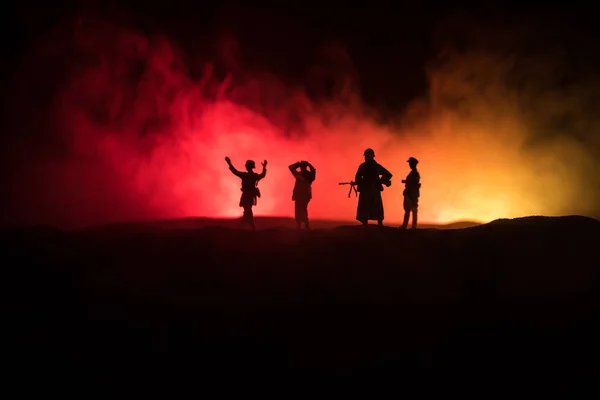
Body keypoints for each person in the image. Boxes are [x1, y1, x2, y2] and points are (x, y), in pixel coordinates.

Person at [225, 156, 267, 230]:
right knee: (247, 210)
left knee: (247, 209)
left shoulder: (249, 176)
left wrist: (229, 163)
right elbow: (235, 172)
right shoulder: (251, 176)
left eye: (247, 165)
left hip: (249, 195)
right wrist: (229, 163)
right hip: (247, 195)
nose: (246, 166)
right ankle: (246, 225)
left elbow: (235, 172)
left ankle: (250, 226)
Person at [354, 148, 392, 226]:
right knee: (365, 206)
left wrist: (381, 181)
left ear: (371, 156)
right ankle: (366, 222)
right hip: (367, 190)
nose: (365, 157)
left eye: (367, 156)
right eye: (365, 156)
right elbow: (358, 177)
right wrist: (360, 182)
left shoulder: (375, 167)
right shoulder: (364, 166)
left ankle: (379, 222)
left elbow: (387, 174)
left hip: (374, 190)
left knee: (376, 205)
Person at [289, 160, 316, 229]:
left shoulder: (300, 175)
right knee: (303, 209)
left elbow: (291, 167)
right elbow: (314, 171)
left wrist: (297, 164)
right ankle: (306, 224)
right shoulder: (310, 175)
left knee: (299, 210)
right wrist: (309, 164)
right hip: (307, 194)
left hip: (300, 195)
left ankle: (301, 225)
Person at [401, 157, 421, 229]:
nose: (409, 165)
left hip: (412, 194)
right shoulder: (413, 173)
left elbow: (414, 184)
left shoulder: (415, 173)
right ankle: (407, 225)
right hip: (410, 193)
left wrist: (406, 182)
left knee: (412, 209)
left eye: (410, 163)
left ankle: (411, 226)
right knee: (409, 210)